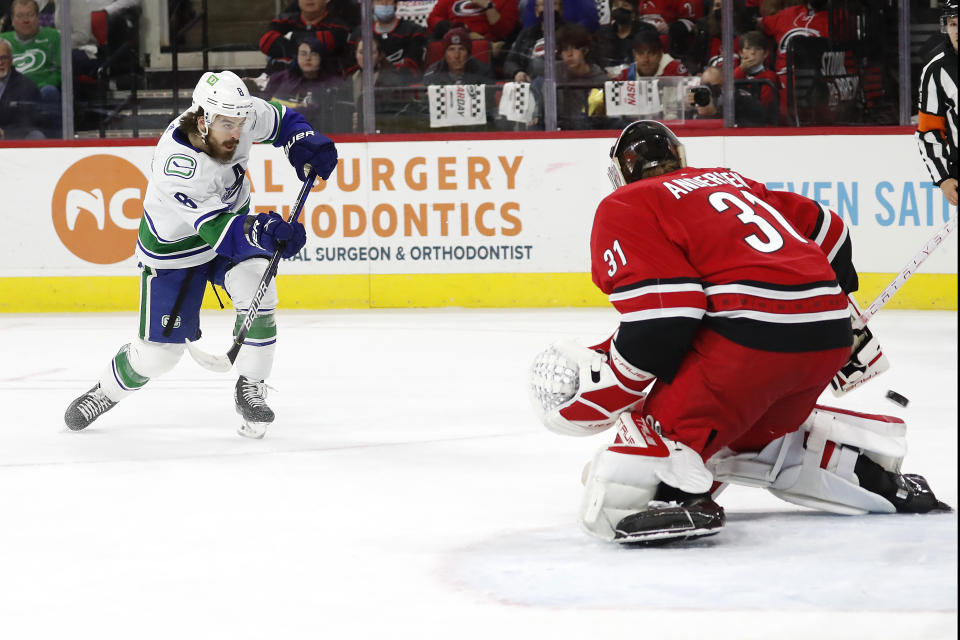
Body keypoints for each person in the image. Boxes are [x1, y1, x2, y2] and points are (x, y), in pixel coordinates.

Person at [529, 120, 951, 544]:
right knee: (742, 435)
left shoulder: (627, 202)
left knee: (632, 460)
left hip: (750, 345)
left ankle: (665, 495)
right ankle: (855, 470)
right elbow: (831, 229)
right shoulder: (732, 181)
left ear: (622, 173)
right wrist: (837, 311)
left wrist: (614, 384)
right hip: (825, 344)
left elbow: (667, 318)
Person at [63, 70, 339, 439]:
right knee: (159, 357)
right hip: (176, 252)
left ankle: (251, 386)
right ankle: (105, 391)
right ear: (202, 118)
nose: (238, 132)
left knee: (257, 286)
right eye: (228, 124)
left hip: (229, 228)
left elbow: (283, 121)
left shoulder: (237, 114)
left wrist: (304, 139)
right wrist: (264, 230)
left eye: (241, 122)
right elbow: (219, 233)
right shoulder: (177, 164)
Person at [916, 0, 958, 207]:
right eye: (953, 24)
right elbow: (929, 130)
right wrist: (944, 179)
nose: (957, 31)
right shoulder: (935, 70)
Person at [0, 0, 59, 133]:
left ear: (38, 18)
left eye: (30, 15)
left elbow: (62, 71)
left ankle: (54, 140)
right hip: (9, 92)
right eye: (20, 16)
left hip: (40, 93)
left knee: (50, 92)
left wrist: (33, 86)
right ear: (12, 20)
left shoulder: (54, 37)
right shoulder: (2, 40)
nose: (25, 20)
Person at [259, 0, 352, 75]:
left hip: (322, 84)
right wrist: (305, 45)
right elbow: (266, 42)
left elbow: (323, 44)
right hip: (279, 81)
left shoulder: (338, 26)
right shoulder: (285, 20)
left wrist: (290, 37)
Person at [350, 0, 427, 79]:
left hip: (401, 87)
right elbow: (349, 69)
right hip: (365, 86)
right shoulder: (359, 33)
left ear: (395, 4)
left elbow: (413, 68)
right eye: (379, 1)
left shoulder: (413, 31)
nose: (383, 4)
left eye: (387, 1)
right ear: (372, 5)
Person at [503, 0, 569, 83]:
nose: (548, 9)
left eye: (553, 4)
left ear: (561, 9)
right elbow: (510, 62)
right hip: (529, 83)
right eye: (543, 5)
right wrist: (517, 72)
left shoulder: (571, 33)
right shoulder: (526, 34)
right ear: (536, 11)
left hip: (561, 83)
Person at [592, 0, 658, 77]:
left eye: (625, 5)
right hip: (606, 79)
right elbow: (595, 60)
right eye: (616, 5)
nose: (620, 9)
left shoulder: (647, 31)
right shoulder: (602, 33)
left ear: (634, 11)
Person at [0, 36, 43, 139]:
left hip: (13, 142)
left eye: (3, 58)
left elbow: (28, 124)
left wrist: (3, 134)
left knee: (36, 136)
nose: (0, 62)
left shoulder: (27, 86)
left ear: (11, 60)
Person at [422, 26, 492, 85]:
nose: (457, 55)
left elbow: (489, 98)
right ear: (445, 54)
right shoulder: (433, 73)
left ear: (468, 53)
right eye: (451, 49)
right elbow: (424, 99)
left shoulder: (483, 72)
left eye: (461, 49)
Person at [615, 29, 688, 80]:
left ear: (660, 54)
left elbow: (690, 93)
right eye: (640, 53)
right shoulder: (626, 75)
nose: (646, 59)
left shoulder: (675, 70)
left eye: (651, 54)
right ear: (634, 54)